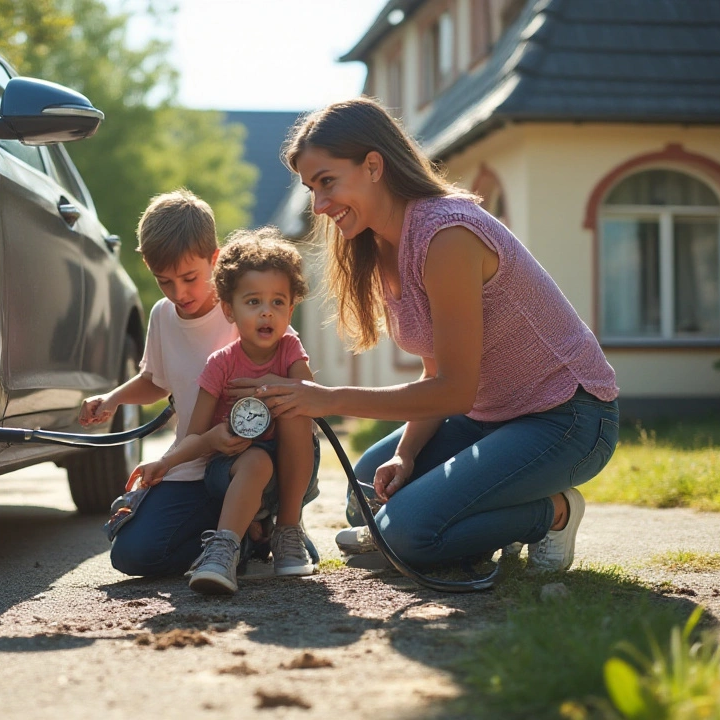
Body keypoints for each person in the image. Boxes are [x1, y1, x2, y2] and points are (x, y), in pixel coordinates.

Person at [236, 97, 619, 574]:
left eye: (327, 182)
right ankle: (474, 516)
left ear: (374, 165)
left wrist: (328, 398)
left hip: (567, 418)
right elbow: (436, 368)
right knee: (366, 498)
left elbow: (454, 390)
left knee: (407, 535)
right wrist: (406, 452)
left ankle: (553, 514)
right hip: (489, 418)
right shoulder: (379, 245)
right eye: (312, 189)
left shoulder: (447, 235)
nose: (319, 205)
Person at [79, 190, 318, 580]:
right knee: (133, 555)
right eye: (164, 282)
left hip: (264, 456)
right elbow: (155, 380)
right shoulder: (162, 316)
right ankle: (244, 539)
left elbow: (296, 378)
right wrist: (113, 398)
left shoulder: (253, 305)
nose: (179, 293)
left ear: (214, 258)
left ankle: (282, 525)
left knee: (274, 436)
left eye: (189, 278)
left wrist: (269, 388)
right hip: (198, 458)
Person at [127, 228, 319, 595]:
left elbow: (311, 397)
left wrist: (275, 389)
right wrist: (165, 463)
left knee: (296, 406)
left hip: (290, 472)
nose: (267, 311)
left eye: (278, 302)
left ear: (291, 309)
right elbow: (195, 436)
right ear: (228, 310)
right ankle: (224, 549)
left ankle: (288, 528)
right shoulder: (219, 366)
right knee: (255, 462)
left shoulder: (290, 350)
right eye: (253, 302)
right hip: (227, 470)